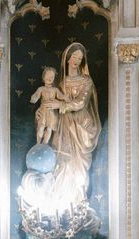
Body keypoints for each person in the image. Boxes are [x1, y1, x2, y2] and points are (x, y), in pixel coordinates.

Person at [51, 42, 101, 205]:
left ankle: (79, 200)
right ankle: (60, 199)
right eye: (74, 57)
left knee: (79, 164)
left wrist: (62, 105)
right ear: (67, 58)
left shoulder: (86, 81)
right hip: (64, 125)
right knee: (63, 160)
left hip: (80, 126)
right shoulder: (60, 83)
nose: (76, 61)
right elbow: (51, 103)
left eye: (80, 58)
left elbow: (81, 103)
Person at [30, 67, 64, 144]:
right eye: (48, 76)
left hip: (51, 112)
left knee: (49, 128)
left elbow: (60, 96)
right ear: (43, 77)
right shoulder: (41, 89)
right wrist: (34, 98)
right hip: (43, 111)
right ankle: (38, 143)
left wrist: (65, 97)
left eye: (52, 76)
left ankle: (45, 143)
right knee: (41, 127)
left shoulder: (55, 89)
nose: (50, 78)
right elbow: (36, 96)